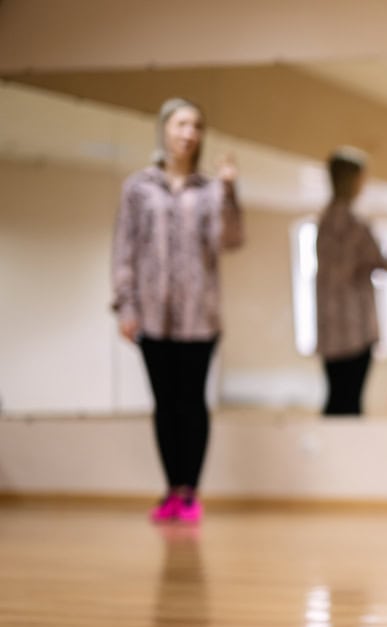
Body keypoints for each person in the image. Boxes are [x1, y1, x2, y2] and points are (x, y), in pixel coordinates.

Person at [111, 97, 244, 524]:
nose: (190, 133)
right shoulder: (138, 187)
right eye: (182, 124)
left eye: (197, 126)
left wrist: (228, 190)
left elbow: (230, 240)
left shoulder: (210, 190)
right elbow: (124, 249)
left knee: (193, 404)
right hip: (151, 315)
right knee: (165, 406)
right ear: (165, 129)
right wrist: (126, 305)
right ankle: (170, 489)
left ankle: (191, 491)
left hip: (199, 319)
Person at [315, 147, 387, 416]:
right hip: (356, 333)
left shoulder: (322, 224)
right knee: (349, 404)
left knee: (336, 400)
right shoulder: (356, 226)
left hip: (330, 333)